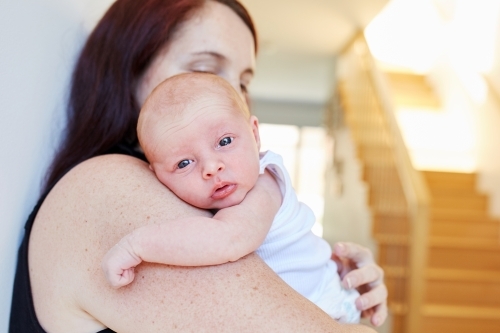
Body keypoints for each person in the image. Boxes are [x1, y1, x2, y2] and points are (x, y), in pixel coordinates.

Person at [9, 0, 387, 332]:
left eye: (243, 83)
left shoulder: (232, 190)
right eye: (204, 69)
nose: (227, 95)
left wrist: (330, 276)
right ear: (129, 70)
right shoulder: (106, 187)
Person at [102, 72, 361, 323]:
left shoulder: (265, 183)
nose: (211, 167)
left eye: (224, 141)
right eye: (184, 163)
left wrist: (137, 246)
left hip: (327, 308)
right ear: (157, 177)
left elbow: (229, 238)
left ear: (255, 135)